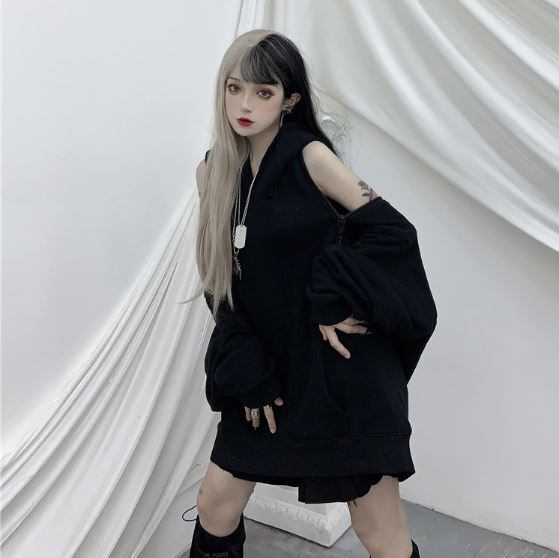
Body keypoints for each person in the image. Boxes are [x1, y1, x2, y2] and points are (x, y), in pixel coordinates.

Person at [181, 29, 436, 558]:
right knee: (214, 503)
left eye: (264, 92)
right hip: (266, 370)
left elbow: (393, 232)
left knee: (380, 533)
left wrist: (332, 297)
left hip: (339, 373)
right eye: (234, 88)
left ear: (290, 98)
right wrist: (243, 357)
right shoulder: (213, 172)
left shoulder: (310, 157)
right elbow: (218, 278)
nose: (245, 105)